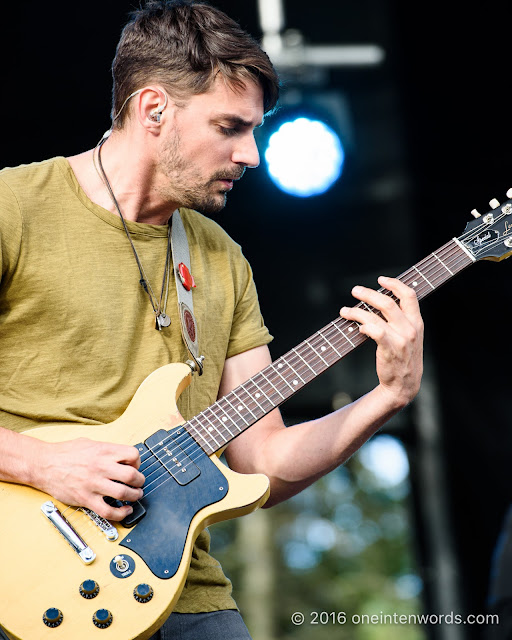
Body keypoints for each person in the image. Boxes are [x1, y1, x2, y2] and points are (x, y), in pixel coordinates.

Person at [0, 1, 423, 638]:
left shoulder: (224, 260)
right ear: (153, 111)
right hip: (25, 577)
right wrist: (38, 463)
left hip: (183, 596)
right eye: (230, 127)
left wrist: (387, 396)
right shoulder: (14, 209)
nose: (251, 154)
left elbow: (261, 461)